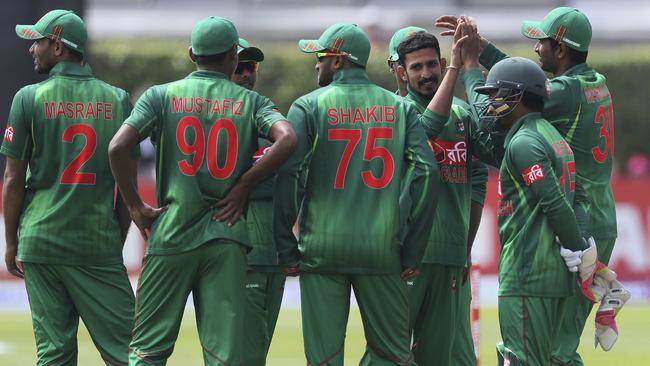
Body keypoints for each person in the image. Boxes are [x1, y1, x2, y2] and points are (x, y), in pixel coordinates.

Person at [436, 8, 623, 363]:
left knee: (547, 350)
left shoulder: (561, 95)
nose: (536, 48)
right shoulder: (592, 81)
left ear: (562, 49)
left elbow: (498, 106)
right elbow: (522, 83)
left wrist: (473, 68)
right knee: (560, 347)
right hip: (595, 215)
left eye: (542, 41)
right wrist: (483, 47)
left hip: (569, 220)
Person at [108, 16, 296, 365]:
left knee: (147, 351)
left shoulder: (159, 96)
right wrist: (244, 184)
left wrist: (135, 206)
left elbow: (118, 147)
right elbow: (288, 138)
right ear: (230, 56)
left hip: (172, 231)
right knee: (223, 355)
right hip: (227, 237)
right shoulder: (251, 102)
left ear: (192, 54)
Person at [274, 22, 440, 365]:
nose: (316, 64)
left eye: (321, 56)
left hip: (321, 248)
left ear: (337, 60)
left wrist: (285, 243)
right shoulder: (401, 109)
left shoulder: (306, 106)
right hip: (382, 249)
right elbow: (427, 173)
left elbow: (290, 174)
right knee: (393, 354)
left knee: (324, 358)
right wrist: (413, 248)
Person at [2, 9, 135, 365]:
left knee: (54, 354)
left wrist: (13, 241)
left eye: (38, 41)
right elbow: (127, 186)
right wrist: (115, 241)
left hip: (41, 241)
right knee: (131, 353)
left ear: (58, 46)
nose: (32, 49)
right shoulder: (119, 99)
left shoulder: (28, 98)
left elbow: (13, 179)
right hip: (96, 242)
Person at [394, 30, 487, 365]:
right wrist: (455, 71)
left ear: (442, 63)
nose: (426, 73)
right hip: (404, 255)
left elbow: (478, 179)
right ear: (401, 72)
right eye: (416, 67)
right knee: (391, 351)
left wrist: (466, 244)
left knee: (442, 356)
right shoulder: (395, 112)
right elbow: (426, 129)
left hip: (449, 252)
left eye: (432, 64)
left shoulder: (463, 114)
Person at [231, 38, 285, 366]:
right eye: (238, 67)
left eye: (251, 67)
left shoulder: (268, 116)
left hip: (270, 253)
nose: (247, 74)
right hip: (238, 252)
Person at [387, 26, 425, 96]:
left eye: (431, 64)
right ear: (392, 66)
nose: (425, 73)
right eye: (403, 61)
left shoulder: (451, 106)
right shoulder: (386, 105)